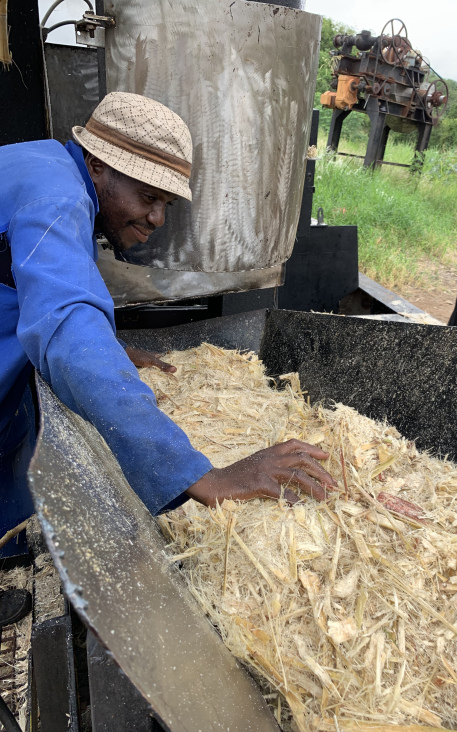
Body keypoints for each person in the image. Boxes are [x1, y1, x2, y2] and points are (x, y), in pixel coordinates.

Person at [0, 91, 336, 561]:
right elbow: (67, 336)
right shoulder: (58, 198)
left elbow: (44, 287)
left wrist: (107, 347)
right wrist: (204, 477)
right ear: (97, 164)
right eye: (148, 196)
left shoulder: (43, 164)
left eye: (167, 204)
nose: (157, 218)